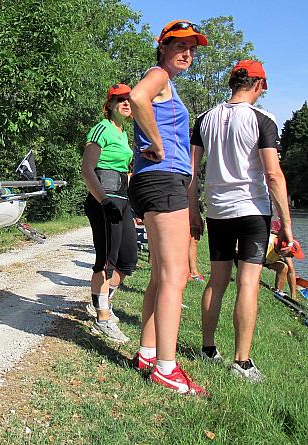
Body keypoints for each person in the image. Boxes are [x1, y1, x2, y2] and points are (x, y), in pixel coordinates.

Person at [189, 60, 294, 383]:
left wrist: (193, 210)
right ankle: (242, 362)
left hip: (218, 210)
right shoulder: (263, 119)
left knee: (217, 280)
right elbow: (273, 175)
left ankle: (208, 349)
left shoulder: (204, 118)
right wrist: (286, 224)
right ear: (259, 84)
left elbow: (192, 172)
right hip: (252, 211)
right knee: (247, 283)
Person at [127, 20, 208, 395]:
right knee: (176, 277)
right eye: (179, 45)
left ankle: (147, 352)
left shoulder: (165, 80)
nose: (187, 52)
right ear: (163, 47)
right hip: (163, 179)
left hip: (154, 181)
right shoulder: (157, 75)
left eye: (192, 48)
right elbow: (138, 97)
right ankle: (166, 367)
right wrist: (158, 145)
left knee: (161, 275)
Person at [81, 83, 138, 344]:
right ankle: (102, 317)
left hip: (123, 197)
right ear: (110, 105)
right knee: (106, 260)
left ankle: (104, 302)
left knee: (128, 260)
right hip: (104, 197)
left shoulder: (124, 134)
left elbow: (126, 169)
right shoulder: (101, 128)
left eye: (129, 99)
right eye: (120, 100)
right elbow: (87, 169)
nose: (126, 103)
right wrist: (103, 201)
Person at [265, 220, 301, 301]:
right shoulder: (270, 243)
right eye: (292, 254)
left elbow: (291, 270)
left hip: (267, 259)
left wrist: (294, 296)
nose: (292, 257)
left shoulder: (286, 245)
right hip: (255, 258)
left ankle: (278, 295)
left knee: (283, 267)